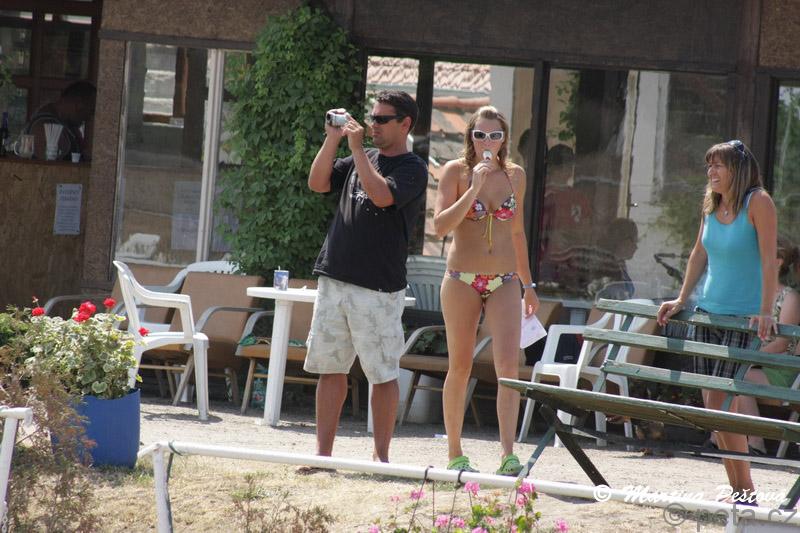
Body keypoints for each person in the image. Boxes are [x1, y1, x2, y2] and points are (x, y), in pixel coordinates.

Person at [304, 90, 427, 464]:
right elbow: (318, 183)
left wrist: (357, 150)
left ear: (405, 124)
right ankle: (323, 457)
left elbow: (381, 197)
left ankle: (381, 457)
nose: (373, 125)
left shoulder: (413, 167)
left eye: (382, 119)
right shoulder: (363, 155)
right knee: (330, 369)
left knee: (382, 373)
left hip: (378, 286)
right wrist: (332, 139)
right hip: (335, 276)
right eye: (372, 118)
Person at [657, 139, 777, 504]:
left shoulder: (758, 202)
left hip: (742, 319)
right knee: (714, 406)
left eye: (718, 165)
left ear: (737, 170)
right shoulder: (711, 204)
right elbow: (698, 253)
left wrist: (766, 309)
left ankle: (746, 490)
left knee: (724, 403)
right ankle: (740, 490)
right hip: (707, 314)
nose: (711, 172)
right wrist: (682, 298)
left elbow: (769, 260)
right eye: (709, 165)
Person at [433, 105, 539, 475]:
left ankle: (508, 454)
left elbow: (517, 232)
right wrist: (473, 189)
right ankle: (455, 452)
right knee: (460, 365)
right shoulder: (455, 171)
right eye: (480, 135)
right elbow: (440, 226)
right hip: (462, 278)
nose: (487, 142)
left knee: (508, 366)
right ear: (471, 137)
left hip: (505, 279)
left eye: (495, 135)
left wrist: (529, 284)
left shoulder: (515, 175)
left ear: (504, 139)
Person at [737, 236, 800, 454]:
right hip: (754, 364)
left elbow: (782, 344)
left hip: (780, 368)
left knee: (737, 378)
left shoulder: (790, 297)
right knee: (723, 374)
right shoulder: (752, 293)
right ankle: (718, 438)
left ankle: (756, 443)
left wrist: (747, 356)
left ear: (778, 261)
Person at [24, 80, 96, 161]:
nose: (89, 117)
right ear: (79, 104)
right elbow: (46, 164)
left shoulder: (69, 126)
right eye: (91, 111)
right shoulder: (44, 126)